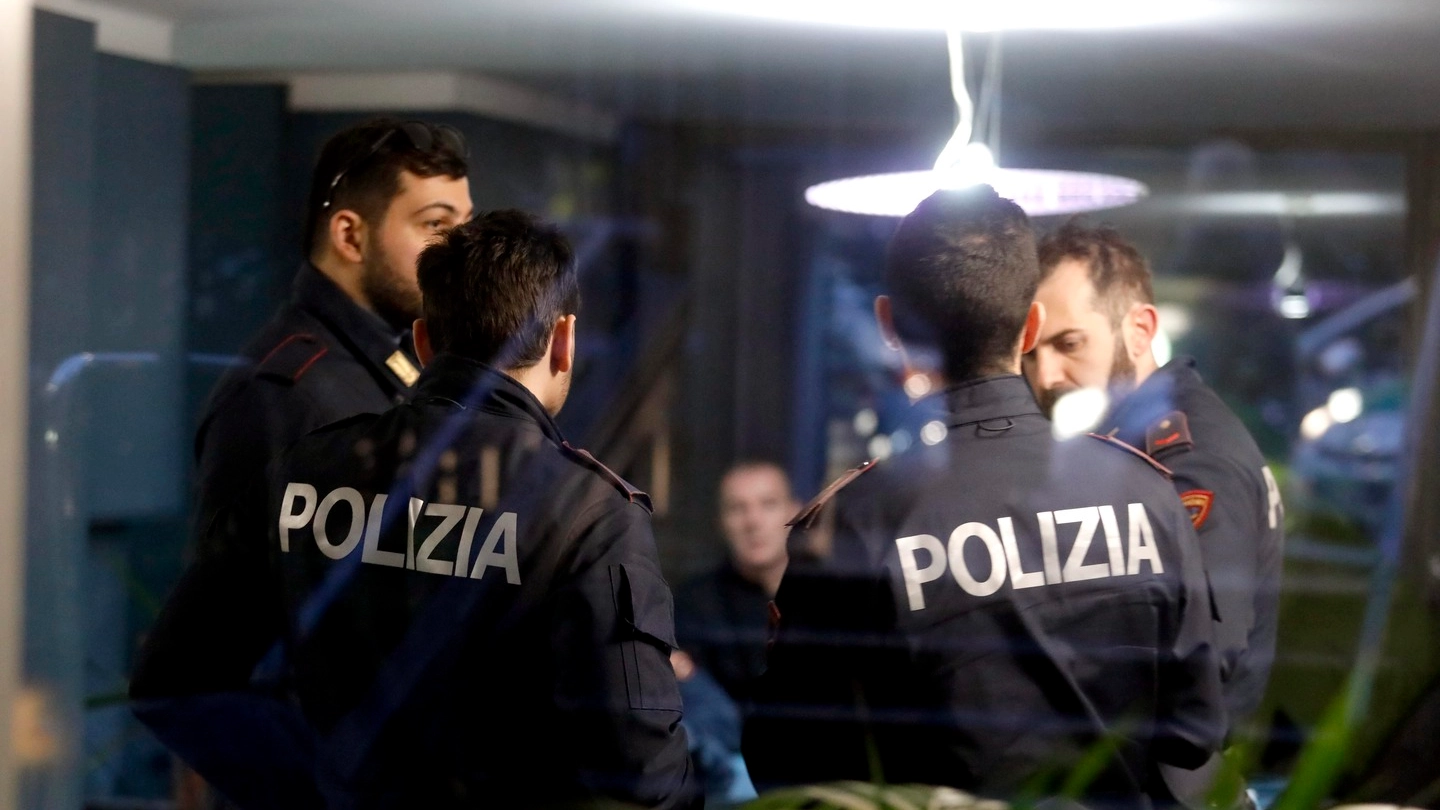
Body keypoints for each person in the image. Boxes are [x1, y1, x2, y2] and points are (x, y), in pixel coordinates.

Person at [131, 211, 697, 809]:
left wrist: (320, 795)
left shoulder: (307, 470)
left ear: (424, 342)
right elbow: (646, 781)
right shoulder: (588, 515)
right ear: (563, 340)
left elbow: (173, 685)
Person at [743, 186, 1225, 806]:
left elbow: (788, 755)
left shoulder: (858, 521)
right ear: (1030, 327)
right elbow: (1194, 732)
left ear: (889, 326)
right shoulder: (1147, 492)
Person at [1023, 221, 1285, 803]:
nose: (1046, 377)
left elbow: (1201, 666)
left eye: (1069, 344)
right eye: (1031, 352)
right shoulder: (1120, 445)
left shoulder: (1189, 461)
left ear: (1139, 330)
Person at [192, 117, 473, 559]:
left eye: (465, 226)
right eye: (436, 225)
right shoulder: (284, 395)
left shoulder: (401, 358)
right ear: (349, 235)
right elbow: (236, 600)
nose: (460, 250)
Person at [675, 460, 800, 705]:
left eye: (768, 504)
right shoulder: (692, 605)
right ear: (720, 522)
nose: (752, 521)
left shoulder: (828, 597)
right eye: (737, 508)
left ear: (795, 513)